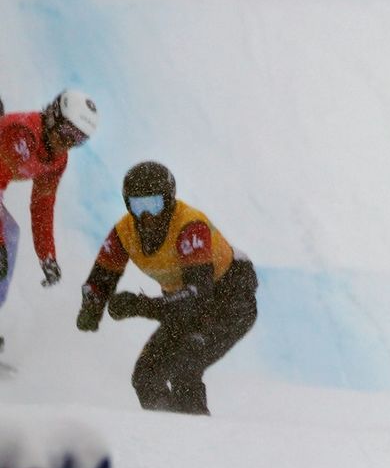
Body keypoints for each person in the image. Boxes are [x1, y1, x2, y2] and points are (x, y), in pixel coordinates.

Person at [75, 161, 258, 414]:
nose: (147, 216)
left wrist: (139, 305)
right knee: (145, 378)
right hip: (184, 305)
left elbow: (197, 296)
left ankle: (197, 438)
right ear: (128, 205)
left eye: (154, 204)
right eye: (138, 206)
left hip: (229, 300)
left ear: (169, 200)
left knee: (186, 365)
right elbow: (101, 279)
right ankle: (168, 437)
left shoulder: (189, 226)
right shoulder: (124, 232)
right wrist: (92, 308)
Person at [0, 89, 99, 350]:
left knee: (9, 238)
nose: (68, 143)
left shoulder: (57, 159)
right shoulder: (24, 135)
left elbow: (42, 207)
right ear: (54, 116)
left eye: (78, 140)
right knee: (5, 239)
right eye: (68, 132)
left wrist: (47, 257)